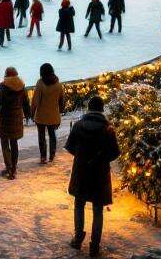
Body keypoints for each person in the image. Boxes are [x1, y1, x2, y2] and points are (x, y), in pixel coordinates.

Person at [65, 97, 120, 257]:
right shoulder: (108, 128)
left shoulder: (78, 125)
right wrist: (101, 160)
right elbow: (115, 152)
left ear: (89, 108)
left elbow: (70, 147)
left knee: (79, 204)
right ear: (102, 109)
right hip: (99, 173)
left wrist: (82, 156)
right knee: (98, 209)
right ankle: (94, 245)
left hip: (81, 171)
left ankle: (77, 238)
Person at [0, 68, 30, 179]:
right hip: (17, 118)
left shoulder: (3, 87)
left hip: (5, 118)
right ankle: (14, 168)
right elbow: (26, 103)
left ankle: (9, 167)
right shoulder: (22, 87)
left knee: (5, 144)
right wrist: (27, 115)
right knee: (14, 143)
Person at [31, 63, 63, 164]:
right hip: (53, 115)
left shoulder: (40, 83)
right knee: (52, 135)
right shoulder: (58, 84)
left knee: (41, 136)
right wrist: (60, 112)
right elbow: (61, 100)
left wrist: (32, 113)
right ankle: (52, 155)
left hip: (41, 115)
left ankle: (43, 157)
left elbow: (35, 101)